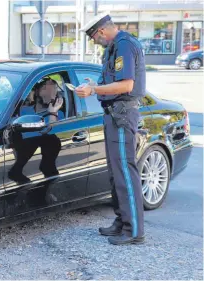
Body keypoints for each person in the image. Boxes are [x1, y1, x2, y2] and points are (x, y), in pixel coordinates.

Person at [75, 12, 146, 245]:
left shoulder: (124, 45)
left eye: (94, 37)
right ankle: (122, 221)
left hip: (122, 114)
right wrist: (95, 86)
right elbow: (113, 82)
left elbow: (127, 85)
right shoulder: (115, 47)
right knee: (116, 172)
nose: (95, 42)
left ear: (102, 31)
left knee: (125, 171)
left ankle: (133, 230)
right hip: (114, 115)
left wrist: (94, 91)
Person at [8, 77, 64, 184]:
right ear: (37, 91)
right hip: (20, 148)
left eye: (54, 90)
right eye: (46, 89)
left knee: (49, 139)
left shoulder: (58, 114)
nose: (50, 93)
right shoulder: (24, 110)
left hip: (45, 153)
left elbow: (53, 132)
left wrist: (53, 112)